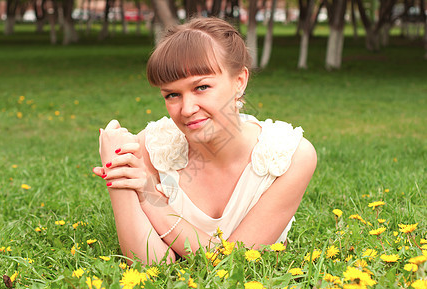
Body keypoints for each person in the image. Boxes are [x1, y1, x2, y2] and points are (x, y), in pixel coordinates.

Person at [93, 17, 317, 265]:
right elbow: (152, 264)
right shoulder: (152, 147)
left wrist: (149, 196)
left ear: (239, 81)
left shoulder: (289, 156)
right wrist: (118, 170)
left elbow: (234, 262)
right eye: (172, 95)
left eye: (201, 87)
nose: (187, 109)